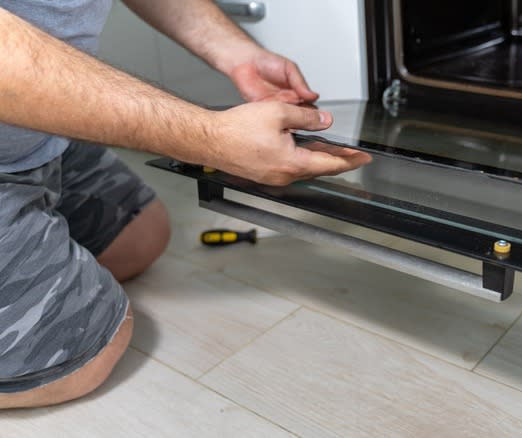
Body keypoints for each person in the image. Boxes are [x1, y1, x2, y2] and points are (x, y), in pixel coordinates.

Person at [0, 0, 371, 409]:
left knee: (141, 236)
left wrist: (236, 53)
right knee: (82, 358)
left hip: (32, 138)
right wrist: (210, 137)